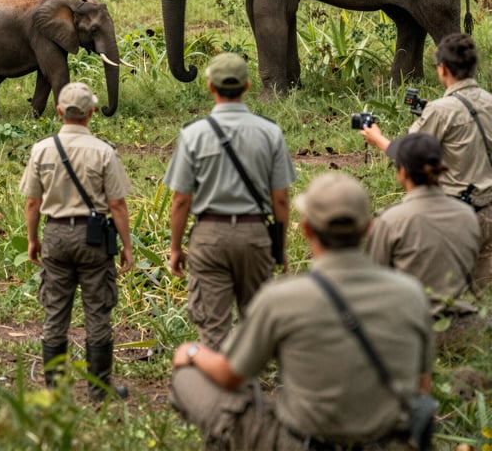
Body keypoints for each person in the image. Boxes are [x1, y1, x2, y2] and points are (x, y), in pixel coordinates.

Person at [170, 173, 435, 451]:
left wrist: (191, 352)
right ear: (368, 228)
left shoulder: (283, 297)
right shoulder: (411, 294)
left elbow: (229, 375)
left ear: (307, 229)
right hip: (385, 443)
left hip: (301, 444)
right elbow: (421, 387)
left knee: (188, 378)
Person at [163, 52, 295, 349]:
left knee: (213, 326)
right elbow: (282, 200)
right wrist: (279, 246)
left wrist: (175, 247)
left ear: (210, 87)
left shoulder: (193, 134)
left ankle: (219, 389)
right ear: (248, 86)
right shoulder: (270, 132)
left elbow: (181, 200)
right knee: (257, 323)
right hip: (255, 234)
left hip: (209, 237)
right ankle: (251, 388)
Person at [20, 81, 133, 400]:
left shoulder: (42, 149)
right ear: (92, 113)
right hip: (93, 237)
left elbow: (32, 202)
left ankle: (54, 390)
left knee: (55, 311)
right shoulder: (103, 152)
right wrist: (126, 245)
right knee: (98, 310)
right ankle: (99, 390)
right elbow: (117, 205)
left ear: (59, 112)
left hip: (55, 233)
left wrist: (32, 239)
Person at [360, 32, 492, 285]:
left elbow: (408, 153)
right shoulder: (488, 101)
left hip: (458, 213)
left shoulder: (440, 110)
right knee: (486, 291)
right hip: (490, 209)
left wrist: (377, 138)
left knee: (452, 288)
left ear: (442, 69)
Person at [366, 132, 481, 317]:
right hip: (466, 322)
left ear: (402, 172)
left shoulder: (391, 220)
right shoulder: (468, 214)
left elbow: (374, 280)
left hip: (414, 324)